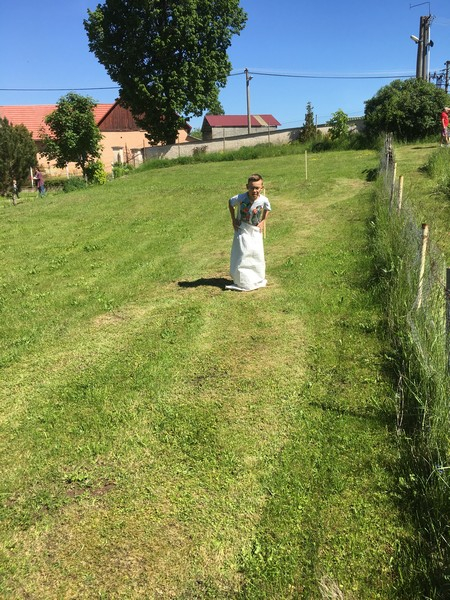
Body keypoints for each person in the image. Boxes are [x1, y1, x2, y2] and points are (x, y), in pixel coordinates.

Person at [226, 173, 271, 291]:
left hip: (255, 230)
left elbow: (267, 208)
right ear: (247, 187)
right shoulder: (241, 198)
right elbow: (230, 203)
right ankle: (242, 280)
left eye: (257, 188)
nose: (254, 190)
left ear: (262, 188)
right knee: (242, 252)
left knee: (255, 252)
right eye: (252, 188)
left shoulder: (264, 200)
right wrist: (233, 219)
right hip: (242, 228)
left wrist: (263, 221)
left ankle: (256, 277)